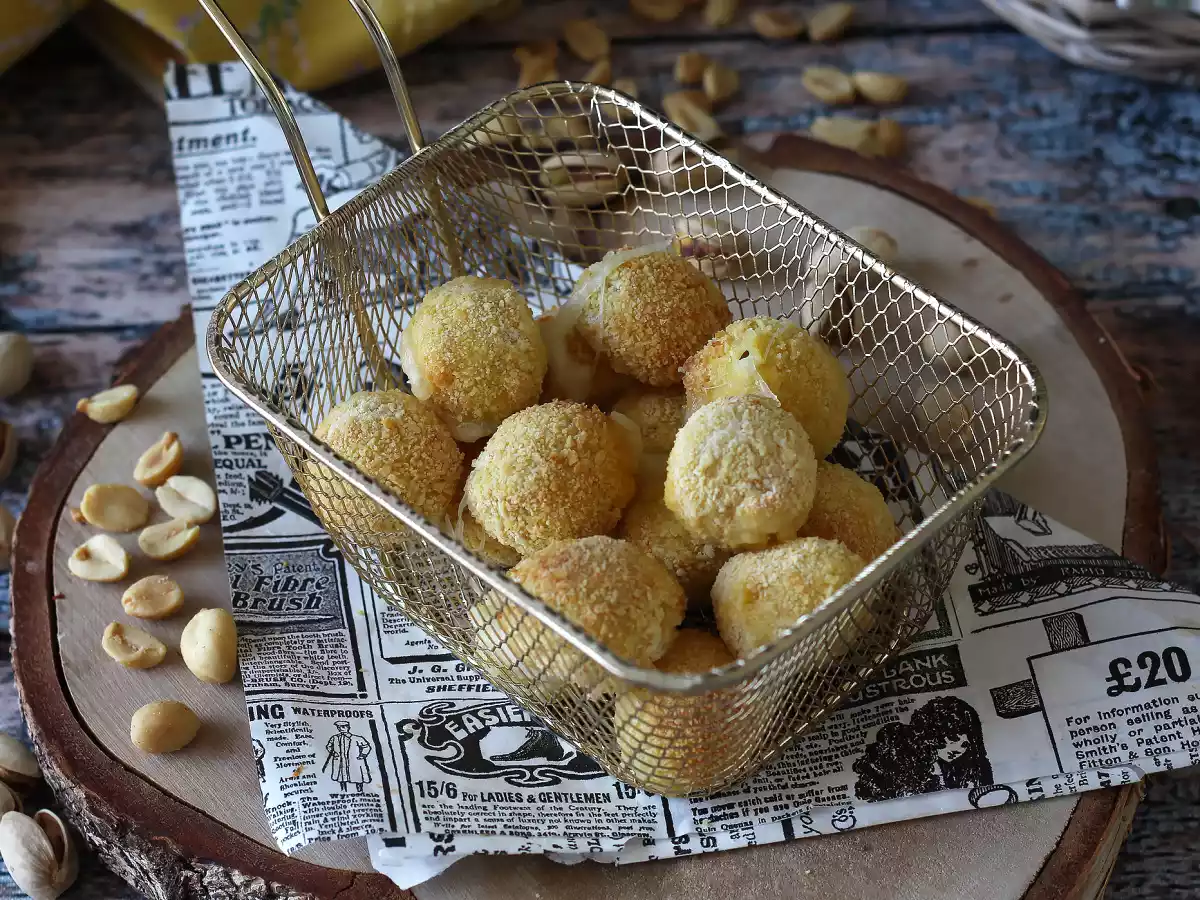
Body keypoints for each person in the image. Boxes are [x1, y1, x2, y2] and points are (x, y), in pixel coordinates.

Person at [322, 721, 372, 794]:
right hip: (340, 760)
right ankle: (343, 791)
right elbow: (329, 746)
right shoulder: (334, 738)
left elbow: (366, 747)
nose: (341, 729)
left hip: (354, 761)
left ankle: (360, 791)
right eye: (339, 727)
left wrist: (362, 755)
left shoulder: (357, 738)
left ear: (348, 727)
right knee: (341, 776)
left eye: (343, 727)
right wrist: (333, 753)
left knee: (357, 777)